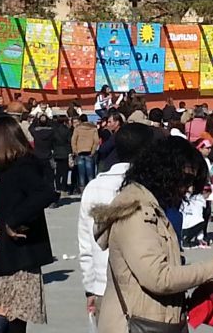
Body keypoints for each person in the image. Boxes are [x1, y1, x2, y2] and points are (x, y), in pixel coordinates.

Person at [92, 136, 213, 332]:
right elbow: (158, 278)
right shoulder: (136, 214)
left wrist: (203, 287)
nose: (188, 189)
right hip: (135, 325)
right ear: (163, 172)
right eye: (186, 179)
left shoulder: (155, 210)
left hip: (157, 322)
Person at [0, 116, 58, 333]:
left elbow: (46, 193)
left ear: (2, 140)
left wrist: (13, 221)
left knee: (11, 326)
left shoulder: (21, 167)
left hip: (15, 265)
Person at [77, 123, 150, 321]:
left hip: (103, 285)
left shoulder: (94, 187)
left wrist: (89, 288)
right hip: (145, 288)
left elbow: (86, 243)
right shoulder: (148, 186)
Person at [72, 114, 100, 191]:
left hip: (80, 153)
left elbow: (73, 140)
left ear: (80, 120)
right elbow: (96, 141)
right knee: (90, 175)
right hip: (89, 153)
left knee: (81, 175)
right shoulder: (93, 128)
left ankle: (82, 192)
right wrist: (93, 151)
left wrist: (75, 150)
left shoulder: (77, 128)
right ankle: (91, 191)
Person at [52, 116, 73, 196]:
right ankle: (64, 187)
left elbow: (52, 141)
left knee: (58, 171)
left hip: (57, 152)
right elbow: (69, 141)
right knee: (65, 172)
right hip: (65, 152)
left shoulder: (54, 130)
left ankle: (58, 186)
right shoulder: (67, 130)